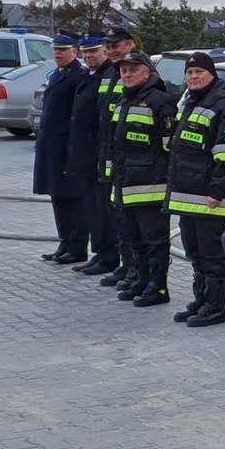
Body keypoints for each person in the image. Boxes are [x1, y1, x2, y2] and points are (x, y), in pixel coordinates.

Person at [166, 52, 225, 327]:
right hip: (189, 195)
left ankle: (215, 307)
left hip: (208, 196)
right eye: (190, 73)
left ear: (212, 75)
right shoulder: (192, 101)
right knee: (194, 252)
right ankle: (201, 300)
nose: (194, 77)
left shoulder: (223, 105)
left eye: (199, 72)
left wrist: (217, 190)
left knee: (212, 254)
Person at [107, 52, 179, 307]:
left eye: (132, 71)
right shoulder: (124, 100)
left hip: (151, 187)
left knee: (154, 242)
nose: (126, 75)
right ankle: (141, 279)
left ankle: (158, 288)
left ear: (147, 73)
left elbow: (171, 147)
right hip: (125, 185)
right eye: (123, 71)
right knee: (133, 239)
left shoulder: (161, 102)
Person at [35, 32, 91, 264]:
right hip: (52, 147)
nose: (57, 54)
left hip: (68, 147)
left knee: (73, 198)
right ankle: (65, 241)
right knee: (57, 196)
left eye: (62, 50)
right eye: (55, 50)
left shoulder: (79, 76)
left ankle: (77, 246)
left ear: (74, 52)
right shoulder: (56, 75)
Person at [68, 33, 119, 277]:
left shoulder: (110, 77)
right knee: (92, 207)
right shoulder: (91, 77)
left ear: (105, 52)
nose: (89, 56)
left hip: (99, 154)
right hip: (86, 155)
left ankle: (108, 256)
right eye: (85, 52)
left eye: (94, 51)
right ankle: (99, 252)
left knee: (102, 209)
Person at [95, 27, 137, 292]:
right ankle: (125, 264)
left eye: (116, 45)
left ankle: (134, 268)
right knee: (117, 216)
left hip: (129, 160)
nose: (110, 50)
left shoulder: (135, 73)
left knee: (131, 220)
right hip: (109, 154)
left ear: (130, 45)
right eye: (108, 46)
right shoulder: (111, 74)